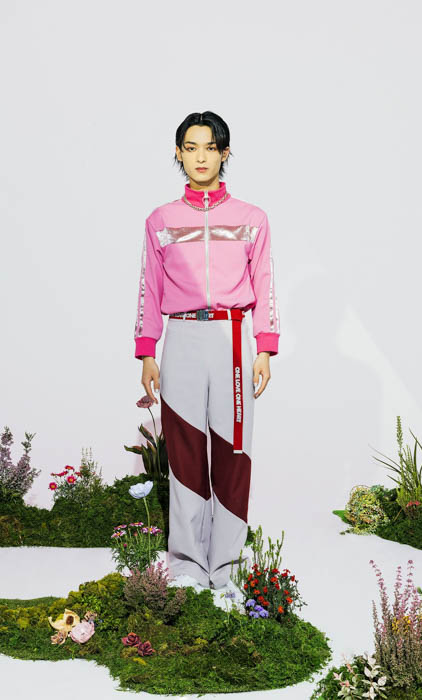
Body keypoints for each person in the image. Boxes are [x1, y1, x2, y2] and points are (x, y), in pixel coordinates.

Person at [133, 111, 280, 597]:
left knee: (234, 453)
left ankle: (228, 567)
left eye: (210, 147)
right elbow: (150, 288)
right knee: (185, 452)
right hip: (181, 338)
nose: (201, 157)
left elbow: (264, 282)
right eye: (191, 147)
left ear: (225, 153)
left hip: (234, 339)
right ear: (178, 153)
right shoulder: (161, 221)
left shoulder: (252, 219)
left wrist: (265, 347)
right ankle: (187, 565)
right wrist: (147, 351)